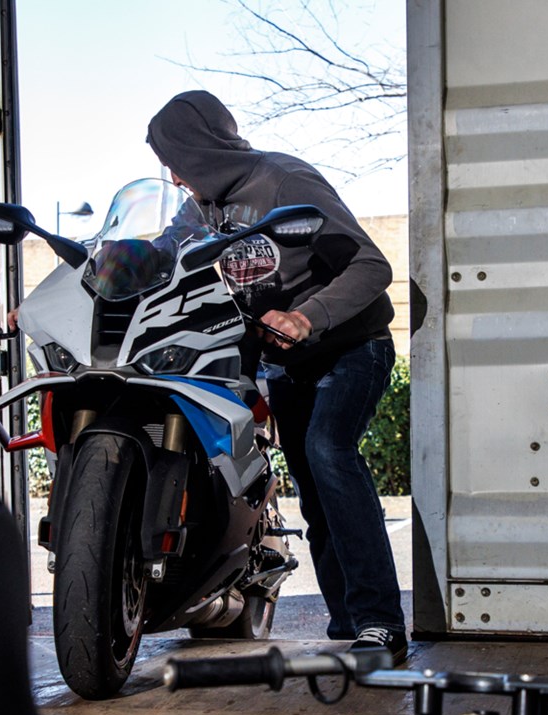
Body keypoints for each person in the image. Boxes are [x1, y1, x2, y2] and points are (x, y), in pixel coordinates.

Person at [147, 90, 407, 667]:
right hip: (284, 361)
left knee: (329, 452)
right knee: (315, 491)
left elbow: (372, 265)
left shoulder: (285, 181)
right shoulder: (199, 210)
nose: (175, 176)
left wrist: (305, 316)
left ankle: (382, 624)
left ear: (200, 149)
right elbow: (155, 257)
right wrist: (64, 294)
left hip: (350, 347)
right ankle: (348, 626)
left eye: (176, 160)